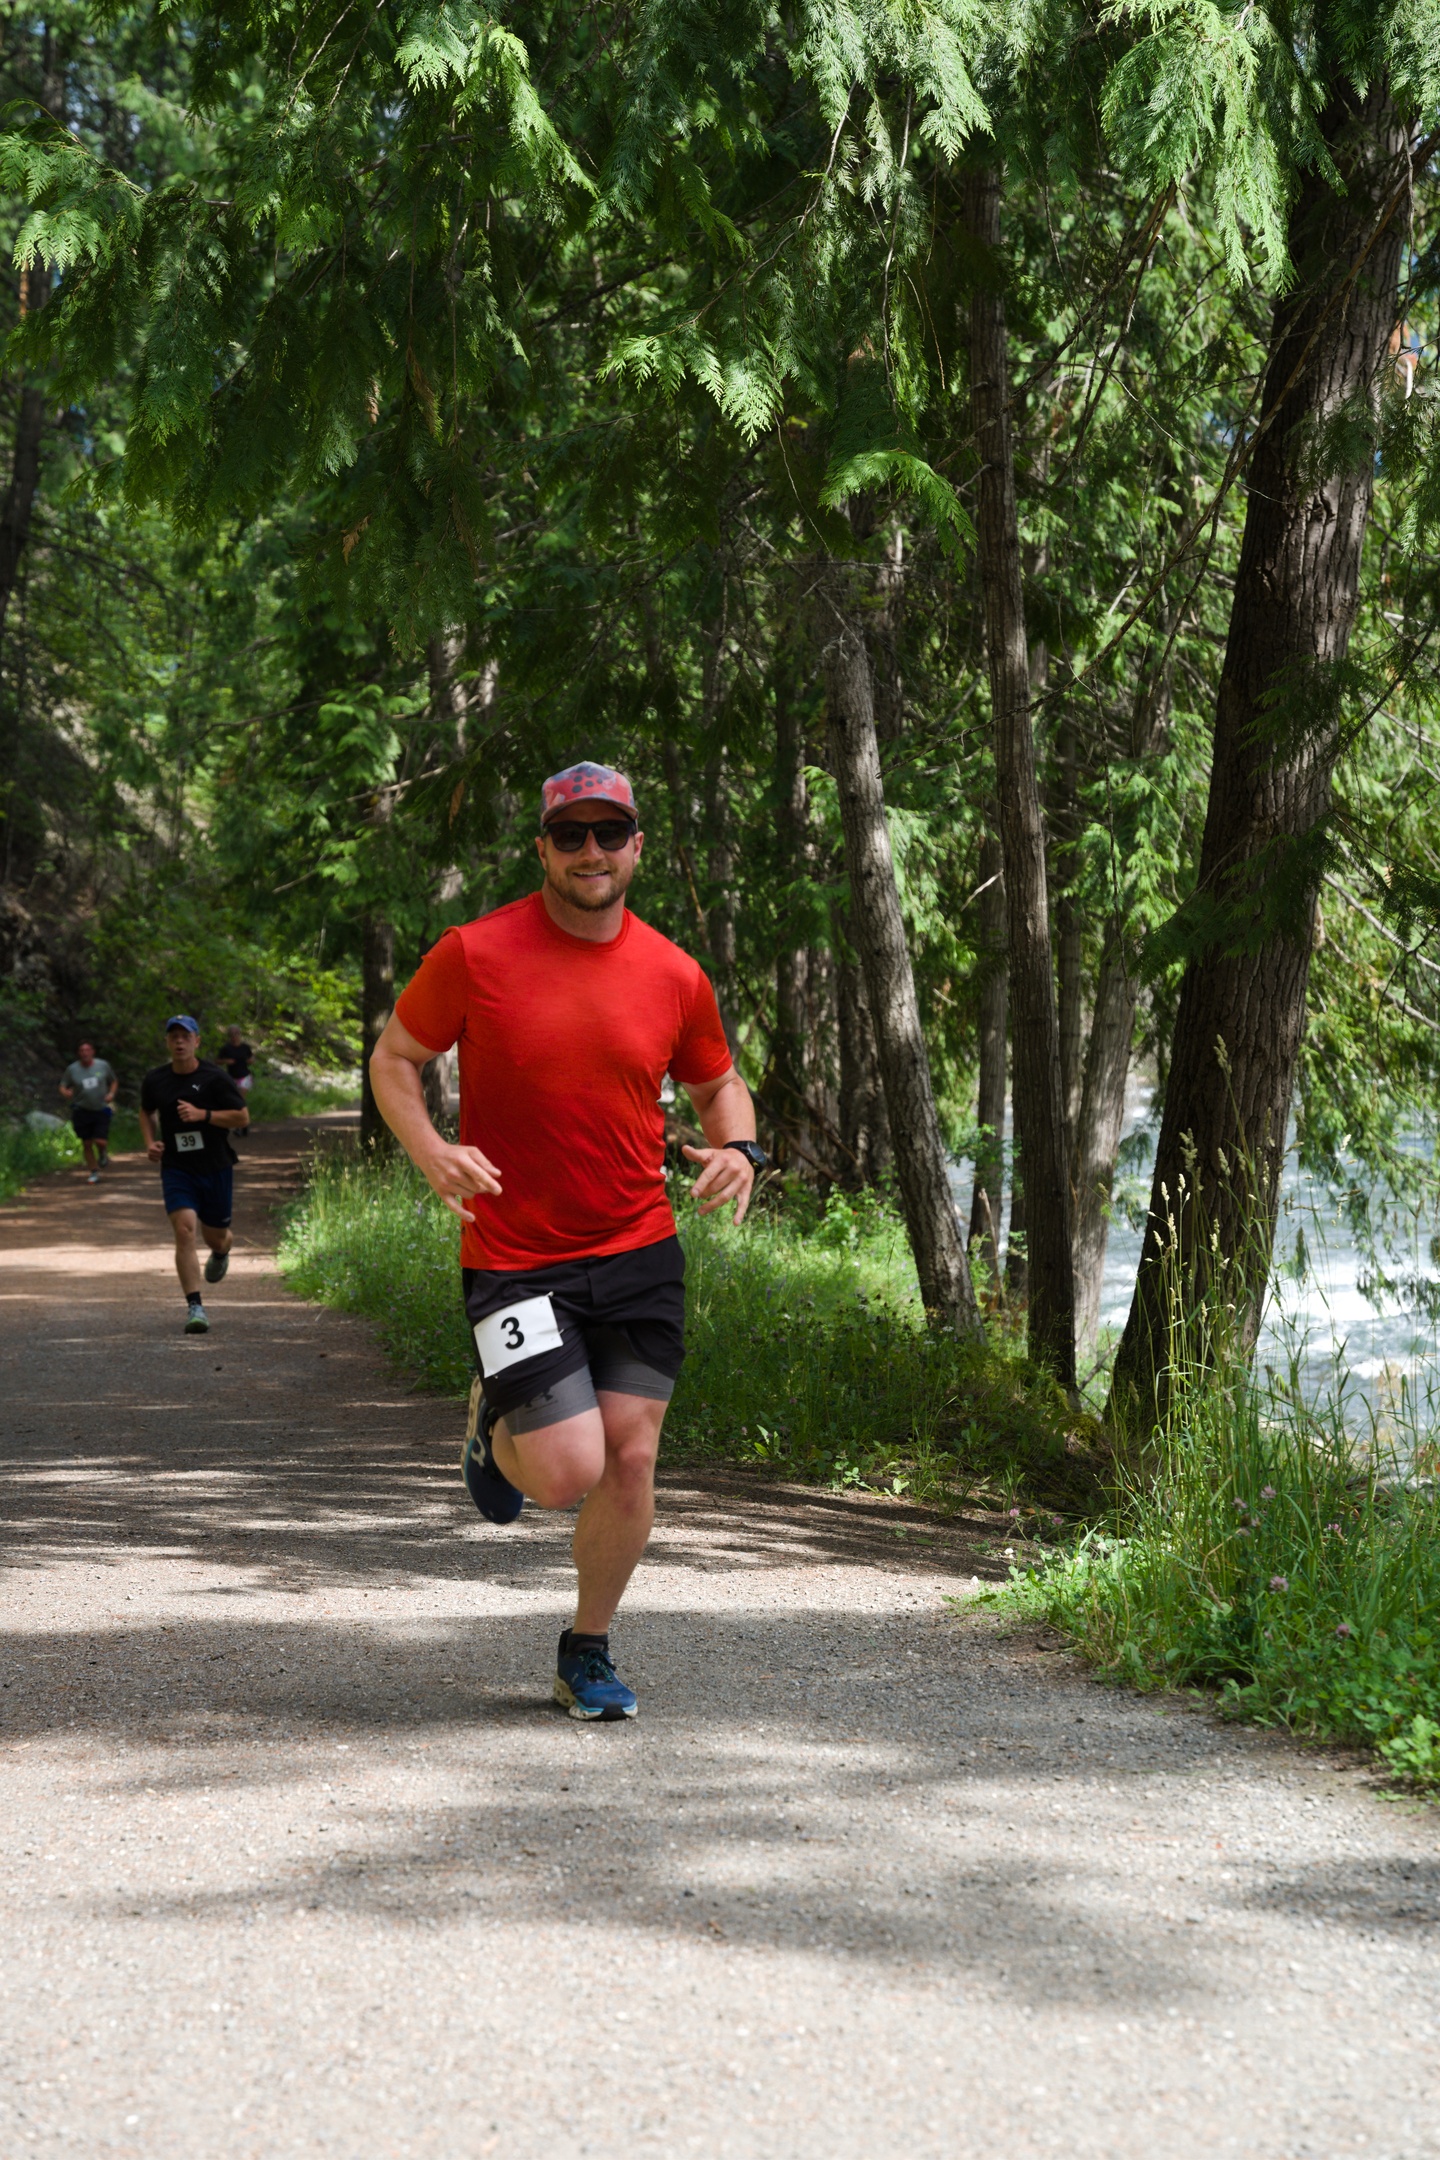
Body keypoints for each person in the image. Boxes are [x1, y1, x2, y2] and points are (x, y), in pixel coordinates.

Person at [371, 761, 766, 1722]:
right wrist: (429, 1150)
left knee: (631, 1456)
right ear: (543, 847)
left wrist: (741, 1146)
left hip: (637, 1248)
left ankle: (586, 1650)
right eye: (572, 835)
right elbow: (395, 1058)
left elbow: (719, 1084)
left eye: (610, 833)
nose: (592, 850)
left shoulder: (675, 974)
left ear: (637, 847)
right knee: (562, 1473)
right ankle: (492, 1427)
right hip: (513, 1253)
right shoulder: (476, 951)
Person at [138, 1016, 250, 1335]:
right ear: (167, 1042)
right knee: (185, 1229)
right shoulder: (156, 1079)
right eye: (173, 1036)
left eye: (185, 1036)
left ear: (197, 1041)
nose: (179, 1041)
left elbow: (242, 1116)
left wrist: (205, 1115)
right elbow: (146, 1111)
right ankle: (195, 1306)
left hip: (215, 1167)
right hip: (177, 1167)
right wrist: (150, 1143)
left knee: (215, 1234)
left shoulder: (215, 1078)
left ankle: (222, 1250)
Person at [59, 1042, 118, 1182]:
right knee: (86, 1143)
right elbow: (62, 1085)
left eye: (87, 1050)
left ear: (93, 1051)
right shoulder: (72, 1069)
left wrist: (111, 1094)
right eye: (81, 1050)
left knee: (100, 1141)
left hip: (101, 1108)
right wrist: (65, 1092)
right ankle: (93, 1171)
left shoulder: (103, 1065)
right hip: (81, 1110)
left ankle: (103, 1153)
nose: (85, 1053)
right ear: (79, 1053)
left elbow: (114, 1081)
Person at [217, 1024, 255, 1094]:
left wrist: (251, 1060)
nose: (234, 1036)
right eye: (231, 1034)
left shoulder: (245, 1047)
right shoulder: (226, 1048)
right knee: (231, 1098)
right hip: (231, 1076)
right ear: (229, 1035)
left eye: (236, 1033)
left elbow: (251, 1057)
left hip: (244, 1076)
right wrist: (225, 1061)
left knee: (240, 1099)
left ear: (239, 1034)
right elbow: (217, 1061)